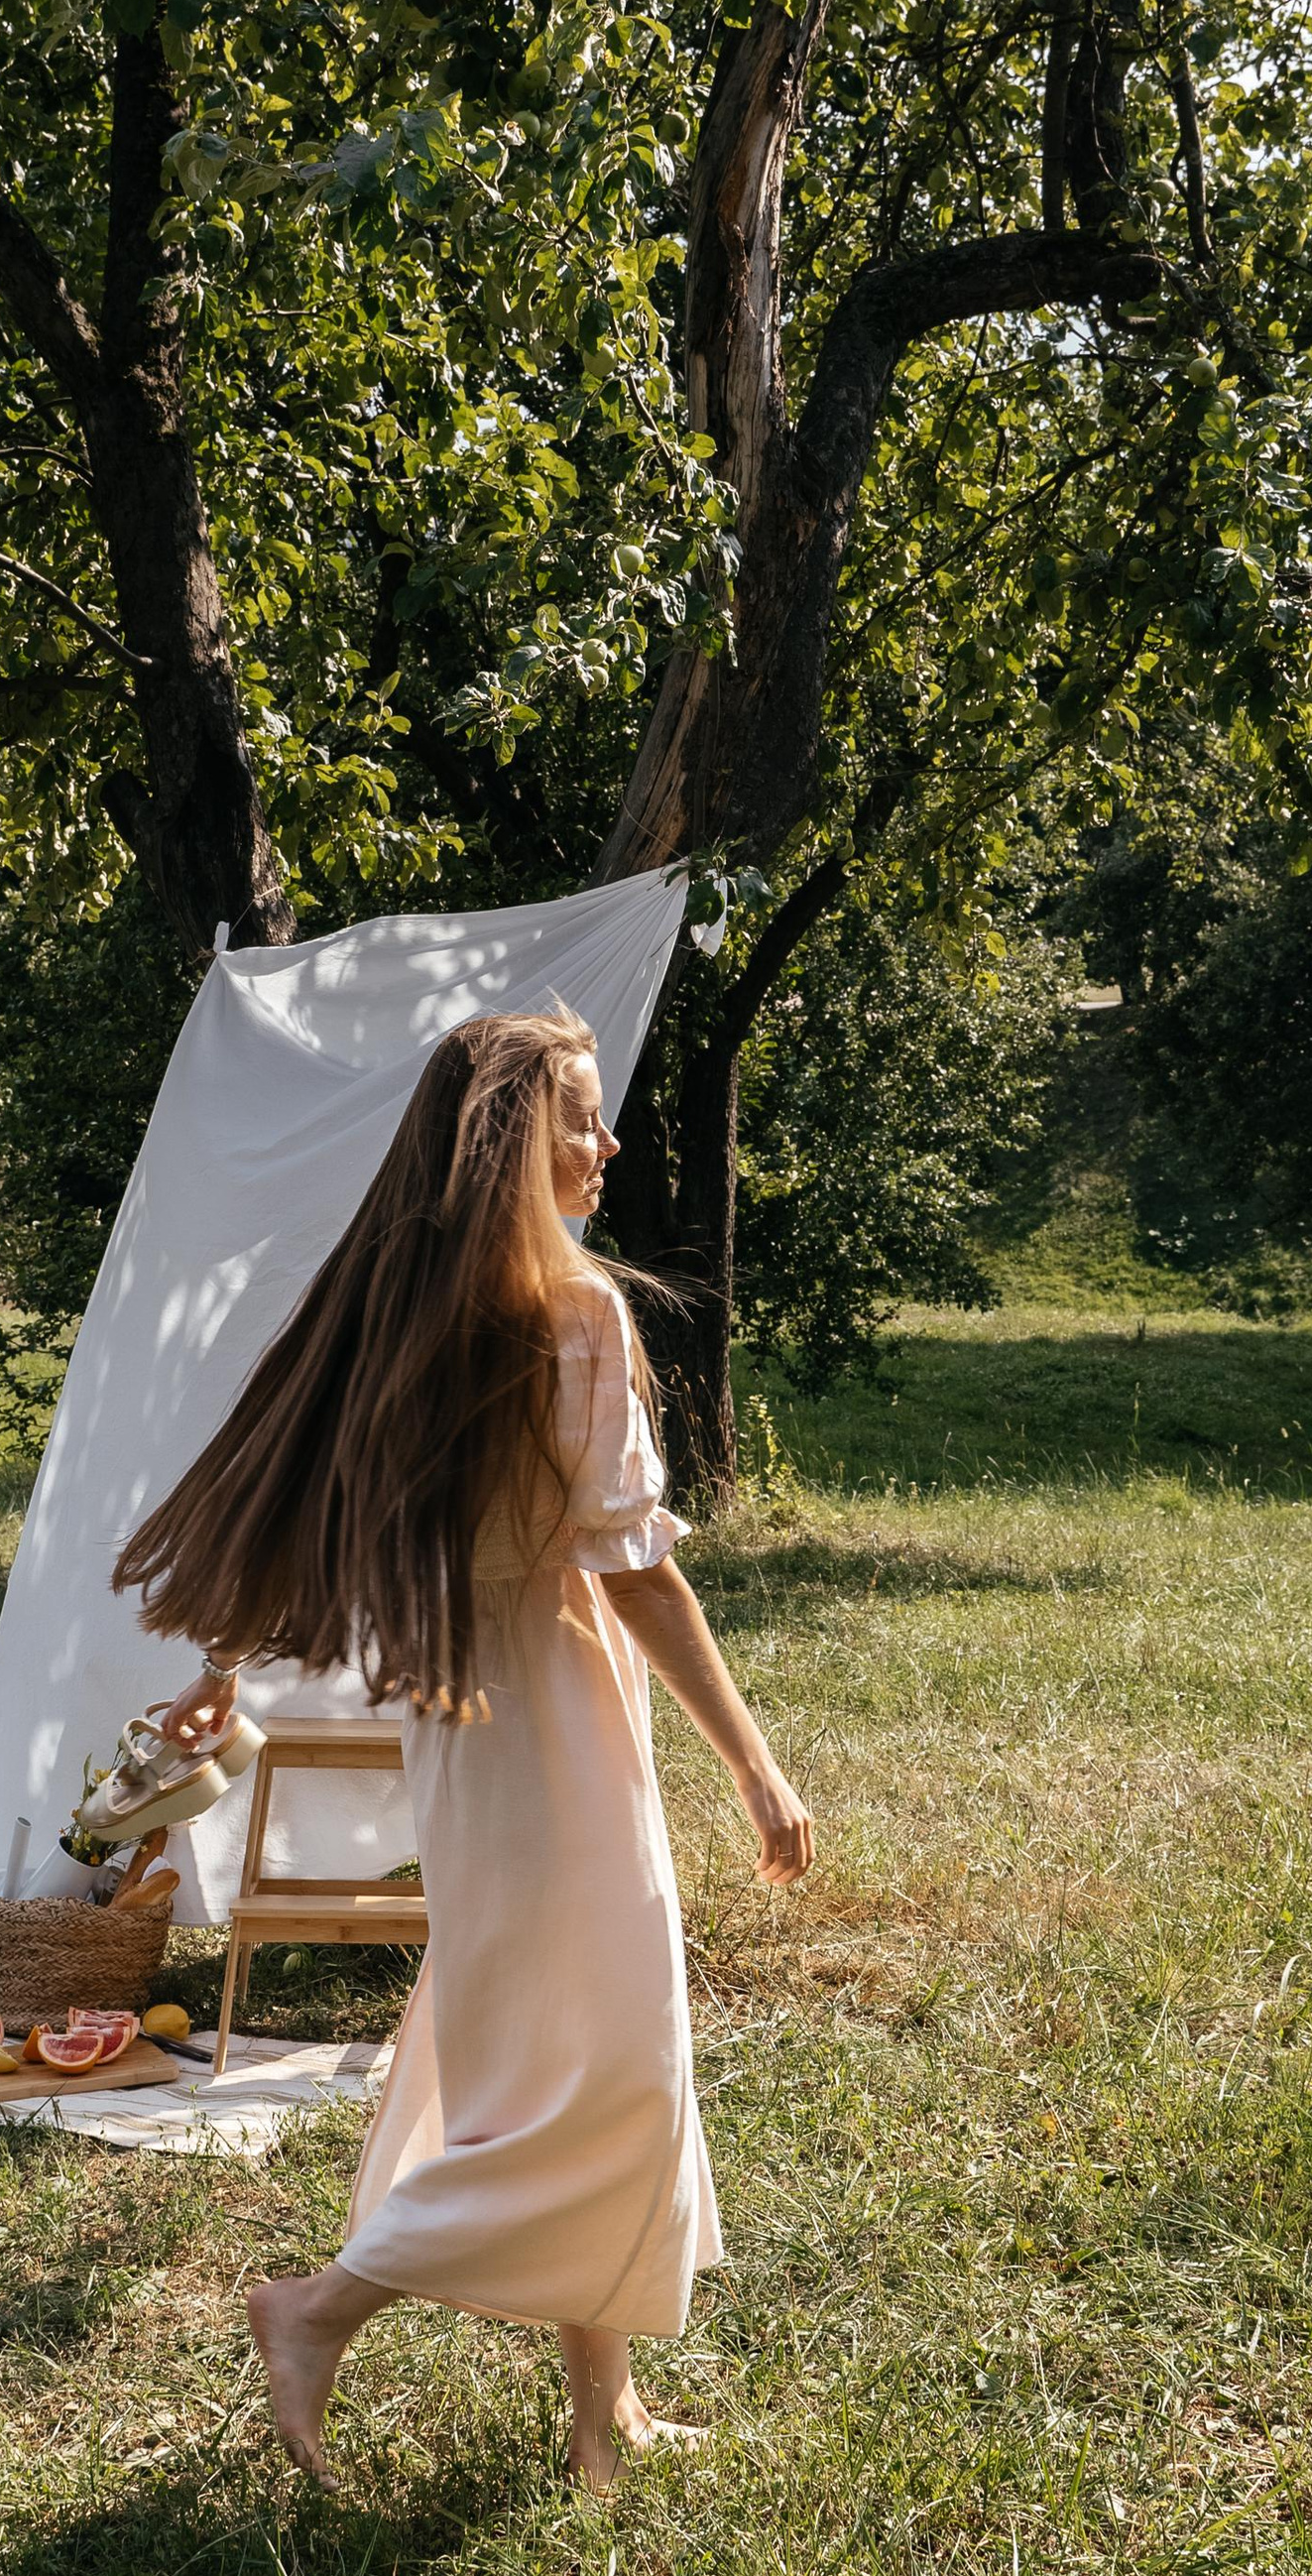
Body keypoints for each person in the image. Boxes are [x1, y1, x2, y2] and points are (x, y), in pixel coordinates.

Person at [113, 1006, 814, 2497]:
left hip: (468, 1724)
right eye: (580, 1118)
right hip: (556, 1715)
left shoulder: (412, 1314)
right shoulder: (577, 1315)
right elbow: (638, 1573)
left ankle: (603, 2415)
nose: (607, 1143)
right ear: (509, 1145)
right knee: (609, 2068)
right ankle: (319, 2309)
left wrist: (218, 1674)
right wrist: (757, 1765)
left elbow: (300, 1509)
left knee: (562, 2042)